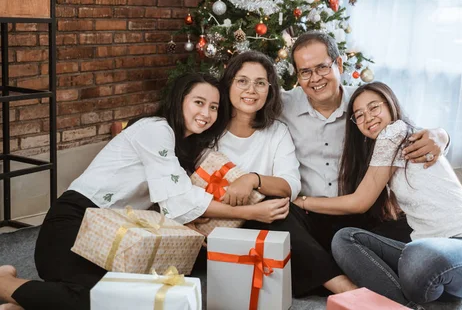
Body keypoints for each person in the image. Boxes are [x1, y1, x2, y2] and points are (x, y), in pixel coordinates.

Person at [0, 73, 288, 310]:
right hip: (74, 225)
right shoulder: (155, 129)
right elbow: (179, 200)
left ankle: (26, 301)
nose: (206, 113)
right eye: (199, 102)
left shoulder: (184, 147)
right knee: (102, 301)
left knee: (130, 298)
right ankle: (6, 284)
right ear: (179, 101)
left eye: (213, 107)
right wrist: (250, 211)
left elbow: (171, 207)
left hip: (115, 238)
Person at [252, 31, 451, 297]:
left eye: (322, 67)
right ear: (297, 77)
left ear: (339, 64)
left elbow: (409, 130)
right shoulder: (283, 104)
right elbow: (240, 110)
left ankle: (323, 270)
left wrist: (442, 136)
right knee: (273, 215)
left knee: (417, 237)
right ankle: (345, 287)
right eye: (305, 72)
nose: (315, 79)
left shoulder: (364, 102)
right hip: (310, 215)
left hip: (363, 214)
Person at [296, 82, 462, 306]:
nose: (368, 118)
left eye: (374, 108)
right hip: (431, 259)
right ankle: (404, 306)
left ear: (390, 105)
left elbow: (359, 202)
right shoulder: (384, 151)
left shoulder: (395, 132)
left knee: (417, 256)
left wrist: (301, 201)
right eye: (359, 115)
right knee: (346, 239)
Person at [213, 50, 301, 210]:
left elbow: (291, 186)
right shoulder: (210, 126)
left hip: (264, 219)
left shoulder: (278, 132)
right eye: (242, 81)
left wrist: (252, 180)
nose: (251, 90)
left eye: (260, 83)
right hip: (213, 219)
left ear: (269, 90)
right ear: (228, 84)